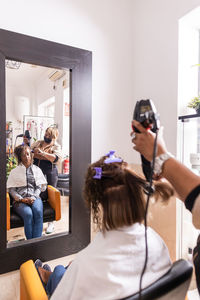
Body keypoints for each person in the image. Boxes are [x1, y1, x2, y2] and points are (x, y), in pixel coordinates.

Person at [36, 150, 174, 299]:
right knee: (70, 267)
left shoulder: (86, 263)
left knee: (60, 271)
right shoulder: (157, 243)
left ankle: (49, 277)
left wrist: (79, 266)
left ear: (97, 203)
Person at [7, 144, 47, 240]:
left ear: (31, 155)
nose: (27, 157)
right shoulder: (14, 172)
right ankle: (30, 245)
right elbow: (11, 190)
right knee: (28, 214)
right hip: (20, 201)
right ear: (20, 157)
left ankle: (35, 245)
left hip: (35, 198)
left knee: (37, 211)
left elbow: (39, 187)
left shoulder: (37, 170)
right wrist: (21, 199)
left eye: (28, 154)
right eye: (24, 155)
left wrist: (33, 197)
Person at [31, 127, 62, 234]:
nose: (46, 136)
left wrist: (42, 154)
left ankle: (51, 223)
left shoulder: (56, 146)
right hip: (35, 171)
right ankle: (37, 218)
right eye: (46, 133)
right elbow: (29, 151)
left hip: (50, 173)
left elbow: (56, 158)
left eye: (49, 135)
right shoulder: (38, 143)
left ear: (54, 137)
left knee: (50, 195)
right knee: (37, 194)